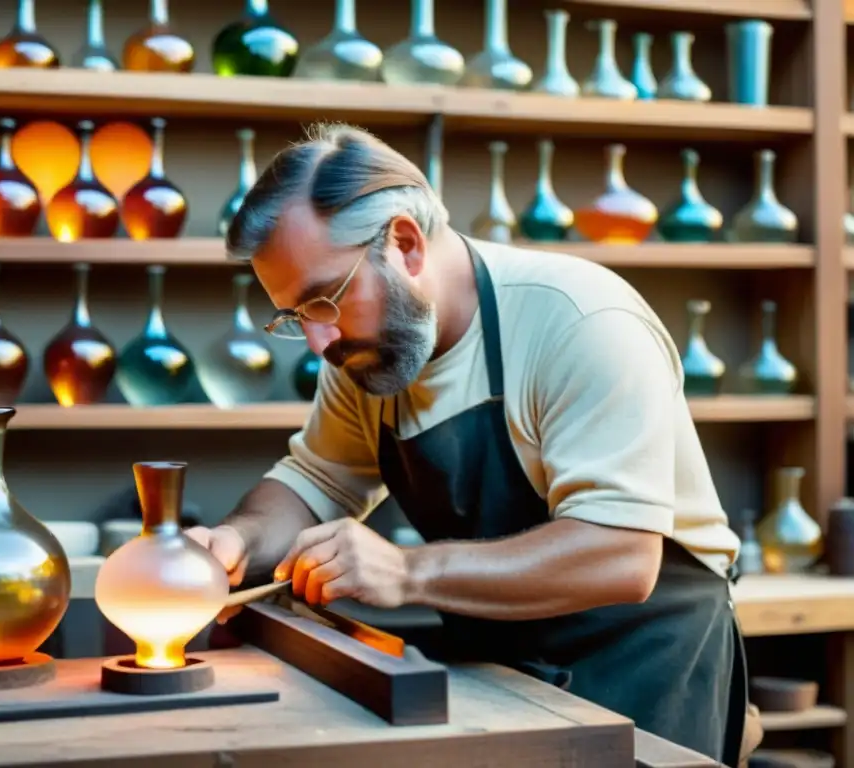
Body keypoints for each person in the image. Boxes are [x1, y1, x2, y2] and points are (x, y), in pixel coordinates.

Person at [186, 123, 752, 765]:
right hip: (502, 673)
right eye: (296, 317)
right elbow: (317, 482)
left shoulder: (580, 321)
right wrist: (237, 541)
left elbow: (620, 555)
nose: (320, 343)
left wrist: (406, 572)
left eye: (325, 300)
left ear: (404, 243)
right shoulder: (364, 354)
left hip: (646, 667)